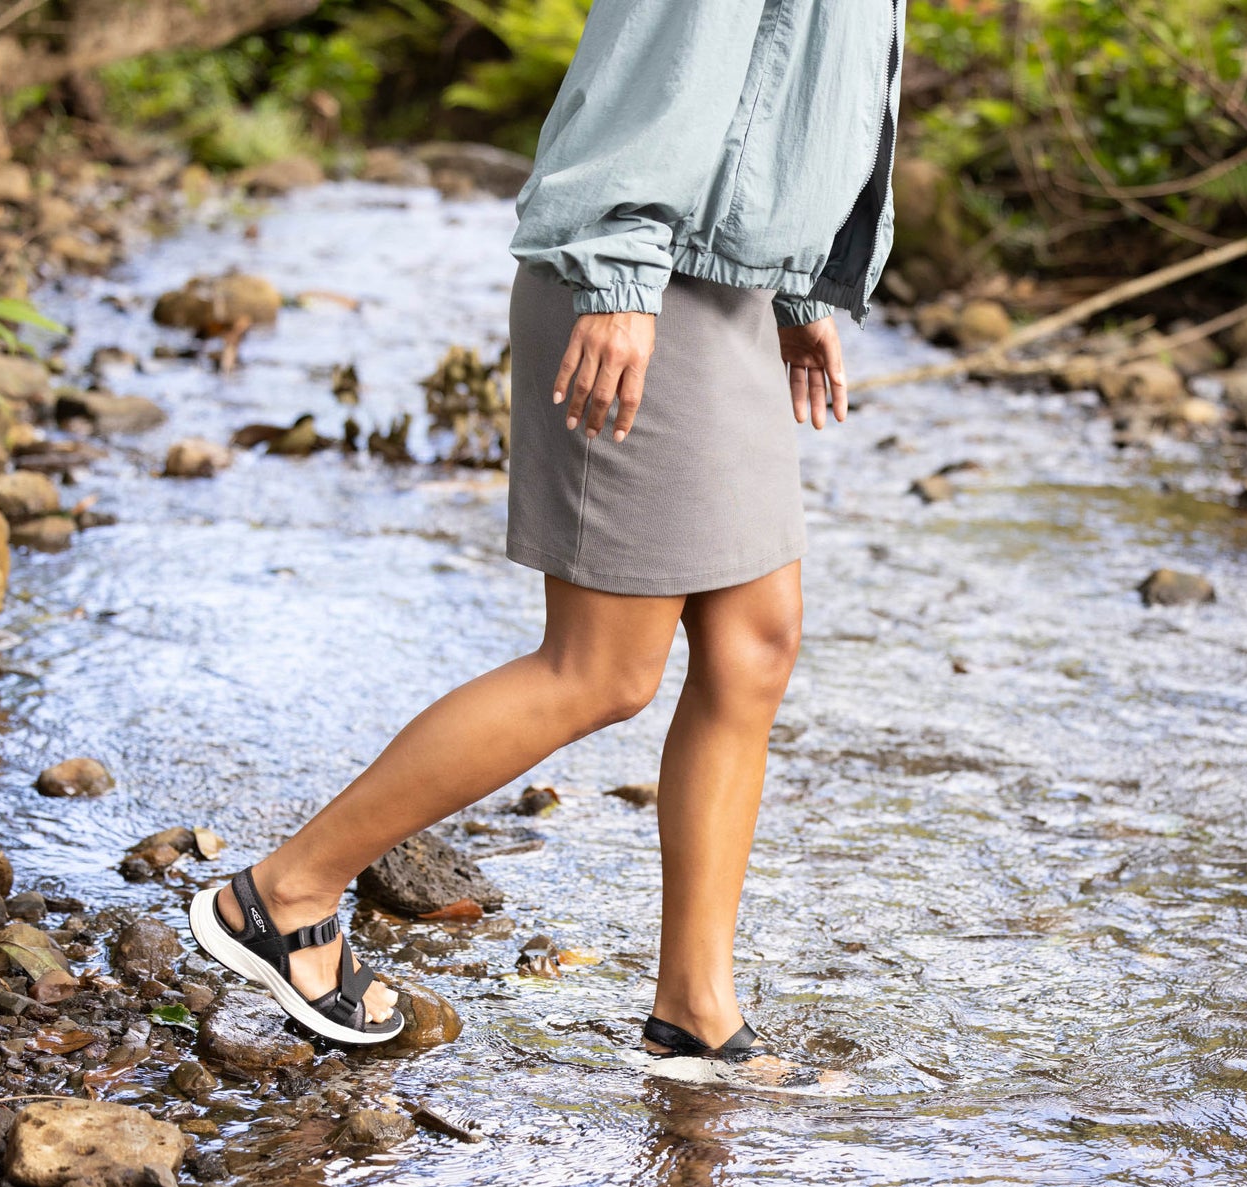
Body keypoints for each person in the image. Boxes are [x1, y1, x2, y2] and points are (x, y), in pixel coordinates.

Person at [189, 0, 907, 1055]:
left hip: (729, 288)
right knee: (600, 669)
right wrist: (617, 272)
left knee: (755, 643)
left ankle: (695, 1011)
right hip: (644, 283)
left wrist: (801, 291)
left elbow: (801, 90)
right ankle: (281, 893)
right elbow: (660, 55)